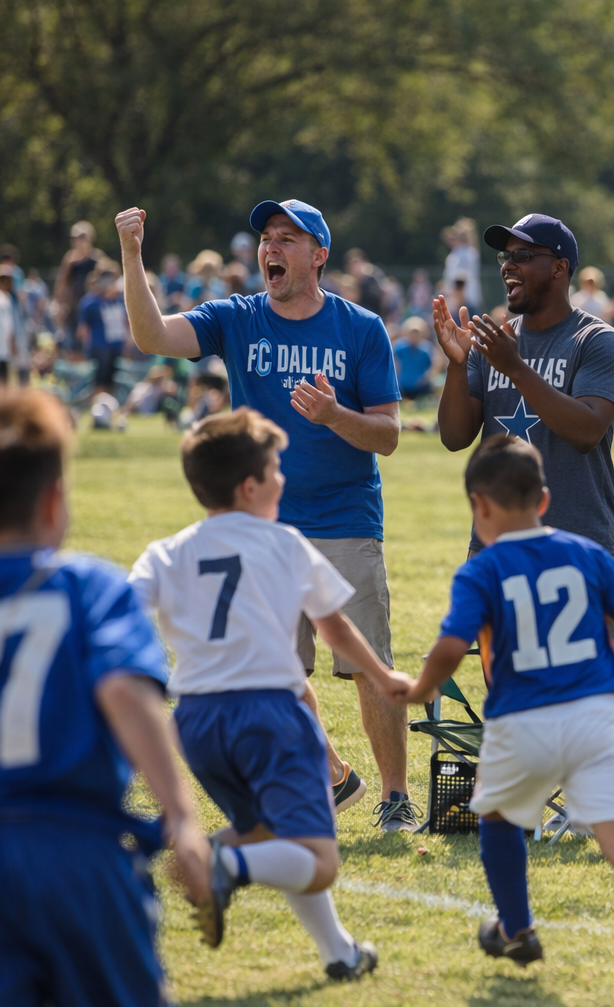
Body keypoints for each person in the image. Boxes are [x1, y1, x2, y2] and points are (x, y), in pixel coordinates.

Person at [115, 198, 414, 830]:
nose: (270, 248)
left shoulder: (360, 329)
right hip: (265, 527)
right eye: (266, 239)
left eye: (287, 238)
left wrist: (335, 417)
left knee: (366, 665)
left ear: (319, 255)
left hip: (344, 518)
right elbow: (151, 337)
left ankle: (395, 797)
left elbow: (387, 436)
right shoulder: (238, 318)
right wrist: (133, 254)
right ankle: (333, 778)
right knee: (270, 671)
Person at [392, 436, 614, 1006]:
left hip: (520, 720)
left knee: (499, 817)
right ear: (546, 498)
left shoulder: (480, 570)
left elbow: (452, 643)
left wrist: (421, 688)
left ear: (479, 506)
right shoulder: (586, 554)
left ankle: (517, 929)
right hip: (597, 715)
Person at [132, 409, 407, 976]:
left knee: (270, 832)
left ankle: (340, 954)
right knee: (319, 861)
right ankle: (218, 865)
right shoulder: (284, 543)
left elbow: (124, 611)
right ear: (251, 485)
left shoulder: (168, 550)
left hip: (198, 724)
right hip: (268, 716)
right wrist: (384, 678)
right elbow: (335, 630)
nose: (284, 478)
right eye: (277, 468)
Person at [0, 386, 215, 1002]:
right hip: (76, 853)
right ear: (55, 500)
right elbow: (121, 689)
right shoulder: (89, 587)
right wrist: (183, 817)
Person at [434, 213, 614, 559]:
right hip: (494, 540)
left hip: (578, 540)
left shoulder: (597, 340)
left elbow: (587, 432)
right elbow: (454, 437)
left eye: (522, 256)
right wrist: (458, 365)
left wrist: (515, 368)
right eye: (505, 257)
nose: (508, 266)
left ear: (559, 268)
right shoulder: (494, 342)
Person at [77, 266, 128, 401]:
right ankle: (99, 405)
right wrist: (86, 349)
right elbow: (83, 329)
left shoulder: (120, 300)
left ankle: (109, 406)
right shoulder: (90, 301)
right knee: (100, 380)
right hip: (99, 348)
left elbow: (126, 322)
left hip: (117, 346)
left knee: (114, 379)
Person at [53, 220, 105, 336]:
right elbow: (62, 284)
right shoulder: (70, 260)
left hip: (93, 309)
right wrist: (59, 307)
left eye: (82, 237)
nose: (79, 241)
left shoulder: (98, 259)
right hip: (74, 309)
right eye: (76, 237)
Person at [442, 218, 483, 313]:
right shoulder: (471, 252)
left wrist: (457, 300)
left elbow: (460, 278)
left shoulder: (461, 254)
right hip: (469, 298)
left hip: (462, 301)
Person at [393, 316, 435, 400]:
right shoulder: (399, 348)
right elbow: (395, 364)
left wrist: (425, 379)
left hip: (420, 386)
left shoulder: (426, 349)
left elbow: (432, 367)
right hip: (402, 386)